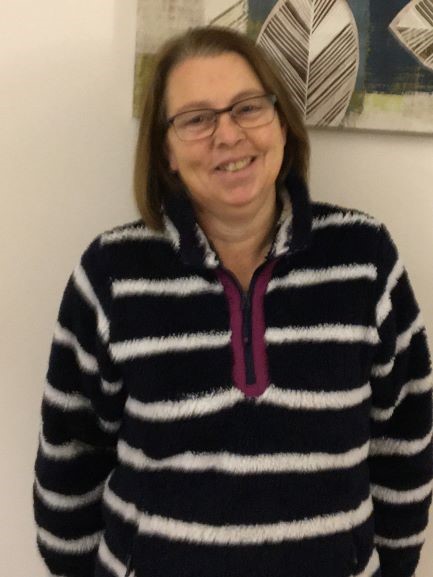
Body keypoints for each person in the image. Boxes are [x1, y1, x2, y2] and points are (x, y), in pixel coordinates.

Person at [33, 26, 432, 577]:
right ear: (166, 152)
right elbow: (70, 452)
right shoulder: (111, 273)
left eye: (248, 107)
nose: (228, 135)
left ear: (282, 125)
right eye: (196, 119)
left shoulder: (364, 258)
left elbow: (404, 437)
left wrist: (396, 567)